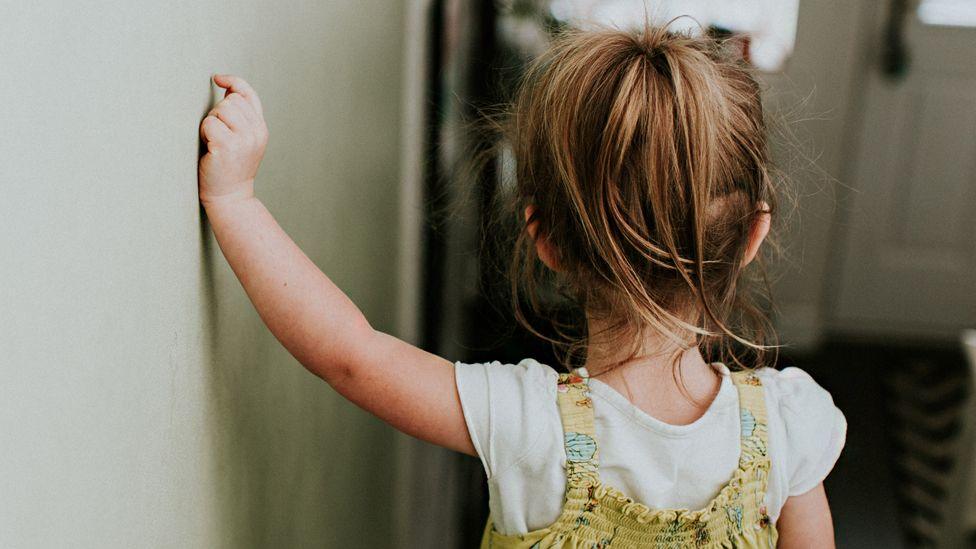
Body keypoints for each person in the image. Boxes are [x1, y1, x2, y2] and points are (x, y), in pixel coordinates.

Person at [198, 23, 845, 548]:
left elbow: (351, 355)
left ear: (545, 238)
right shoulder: (788, 429)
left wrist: (236, 200)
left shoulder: (529, 425)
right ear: (754, 235)